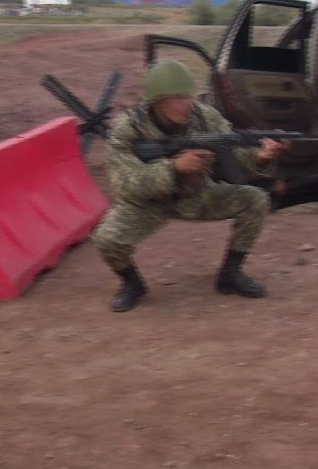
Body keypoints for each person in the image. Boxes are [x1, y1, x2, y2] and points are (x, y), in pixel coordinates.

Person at [91, 60, 289, 312]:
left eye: (188, 96)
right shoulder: (128, 129)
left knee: (256, 199)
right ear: (157, 101)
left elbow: (235, 153)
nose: (186, 103)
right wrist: (173, 168)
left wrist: (261, 156)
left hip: (197, 194)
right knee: (107, 239)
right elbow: (125, 184)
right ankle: (132, 284)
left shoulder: (204, 117)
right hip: (149, 204)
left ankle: (230, 274)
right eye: (177, 98)